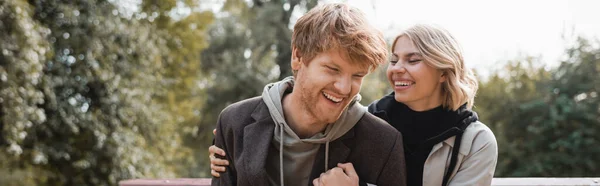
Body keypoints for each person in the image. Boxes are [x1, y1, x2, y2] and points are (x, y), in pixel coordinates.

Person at [210, 24, 498, 186]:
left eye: (413, 60)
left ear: (444, 72)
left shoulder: (473, 142)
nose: (397, 68)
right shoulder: (369, 119)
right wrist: (234, 144)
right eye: (394, 60)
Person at [210, 3, 407, 186]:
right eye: (332, 69)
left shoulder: (383, 143)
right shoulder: (234, 122)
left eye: (357, 75)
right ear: (298, 57)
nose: (345, 88)